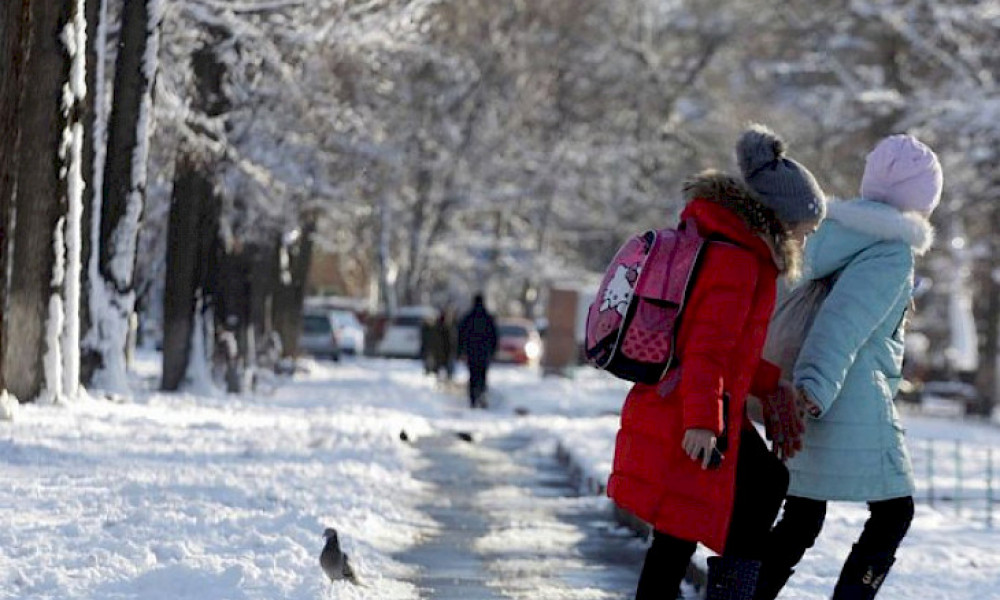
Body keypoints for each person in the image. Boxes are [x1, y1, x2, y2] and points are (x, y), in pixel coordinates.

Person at [607, 124, 826, 600]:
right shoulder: (739, 260)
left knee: (678, 533)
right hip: (689, 411)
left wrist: (771, 385)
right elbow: (705, 350)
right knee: (755, 490)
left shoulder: (730, 246)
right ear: (779, 219)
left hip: (684, 403)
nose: (804, 243)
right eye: (802, 231)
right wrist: (703, 423)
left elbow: (729, 350)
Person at [755, 134, 942, 600]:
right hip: (841, 399)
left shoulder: (822, 234)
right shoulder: (890, 251)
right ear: (921, 199)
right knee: (894, 513)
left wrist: (796, 389)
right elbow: (842, 325)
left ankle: (746, 594)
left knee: (801, 517)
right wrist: (812, 390)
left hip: (799, 393)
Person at [457, 293, 498, 408]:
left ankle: (473, 398)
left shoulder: (468, 318)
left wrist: (460, 351)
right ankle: (481, 393)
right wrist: (493, 350)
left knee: (473, 375)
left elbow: (461, 335)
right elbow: (494, 335)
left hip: (471, 352)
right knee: (482, 375)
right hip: (484, 352)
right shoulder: (488, 318)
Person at [432, 305, 458, 382]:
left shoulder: (439, 327)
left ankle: (444, 379)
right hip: (444, 350)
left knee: (444, 367)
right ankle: (445, 379)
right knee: (445, 367)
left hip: (444, 350)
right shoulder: (445, 327)